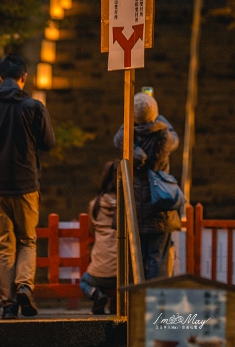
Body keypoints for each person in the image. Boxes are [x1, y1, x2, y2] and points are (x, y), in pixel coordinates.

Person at [0, 53, 57, 319]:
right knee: (27, 240)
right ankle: (25, 286)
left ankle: (8, 303)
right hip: (25, 184)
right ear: (24, 77)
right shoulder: (34, 107)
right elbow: (49, 143)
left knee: (2, 245)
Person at [113, 92, 181, 280]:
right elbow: (174, 136)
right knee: (157, 259)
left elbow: (120, 134)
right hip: (158, 206)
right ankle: (153, 304)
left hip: (133, 205)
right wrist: (156, 114)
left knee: (136, 258)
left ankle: (135, 301)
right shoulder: (163, 136)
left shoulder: (124, 138)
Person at [80, 161, 118, 314]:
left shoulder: (95, 204)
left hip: (100, 272)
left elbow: (92, 229)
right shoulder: (128, 203)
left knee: (84, 282)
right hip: (123, 273)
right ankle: (116, 302)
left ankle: (96, 294)